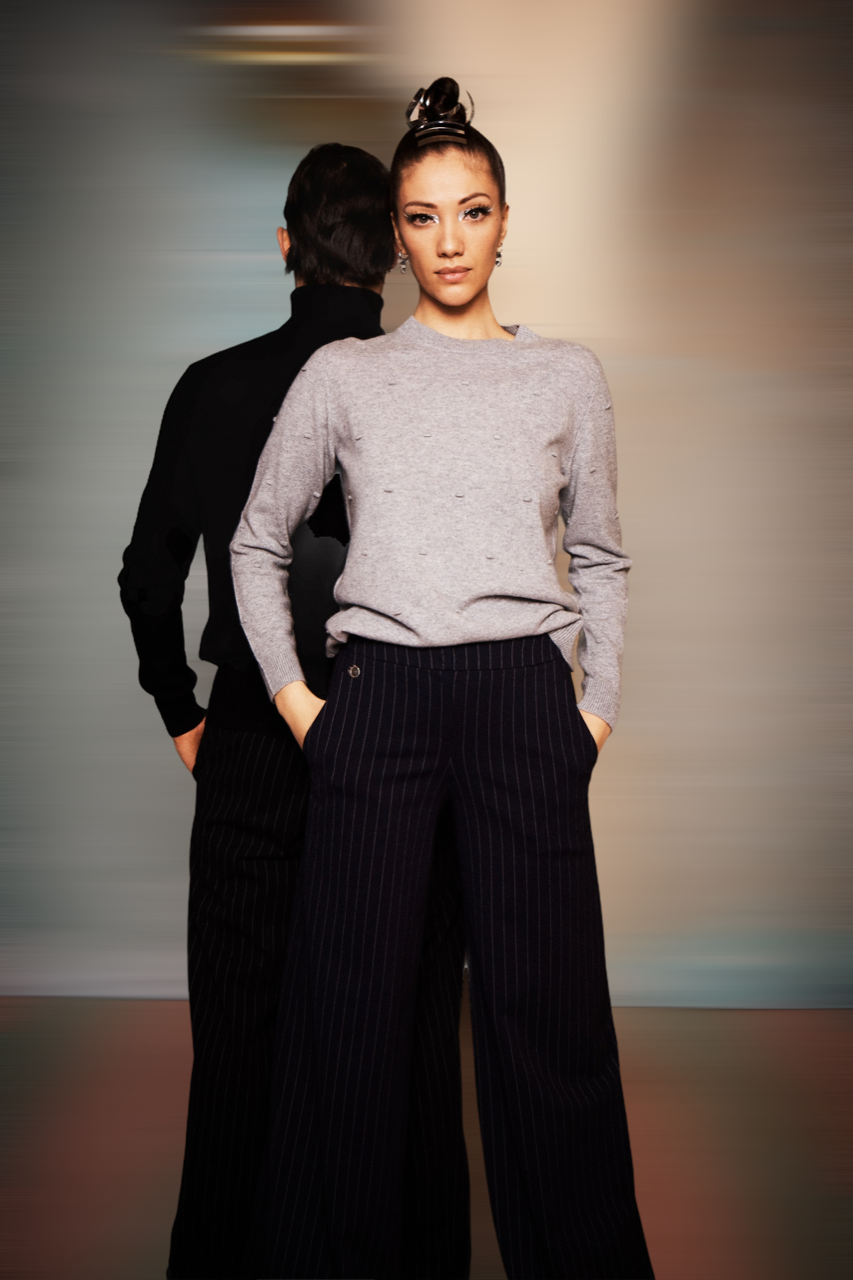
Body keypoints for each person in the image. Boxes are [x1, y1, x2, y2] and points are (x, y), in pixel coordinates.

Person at [232, 80, 654, 1279]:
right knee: (352, 1018)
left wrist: (593, 706)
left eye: (472, 212)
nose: (450, 240)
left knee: (547, 1024)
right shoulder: (345, 374)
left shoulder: (565, 374)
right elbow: (258, 541)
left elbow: (602, 554)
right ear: (397, 232)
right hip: (378, 704)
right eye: (423, 217)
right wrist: (302, 706)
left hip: (523, 702)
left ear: (505, 221)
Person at [118, 142, 470, 1280]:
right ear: (395, 251)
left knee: (238, 1039)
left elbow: (146, 573)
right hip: (400, 733)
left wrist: (186, 713)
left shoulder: (209, 386)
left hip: (253, 744)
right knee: (407, 1036)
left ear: (285, 245)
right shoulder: (431, 389)